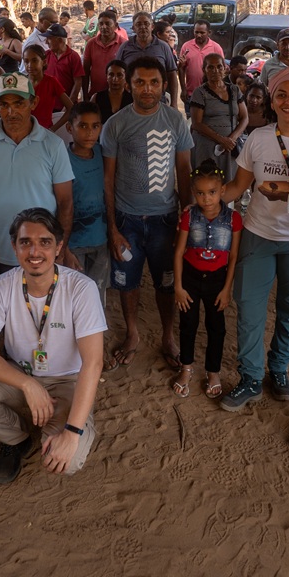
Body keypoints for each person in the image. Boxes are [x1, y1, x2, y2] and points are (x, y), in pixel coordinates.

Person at [0, 207, 106, 484]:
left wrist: (72, 433)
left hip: (67, 380)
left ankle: (67, 424)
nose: (34, 251)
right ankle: (16, 438)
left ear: (59, 247)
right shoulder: (1, 286)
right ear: (14, 247)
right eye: (25, 242)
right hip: (20, 373)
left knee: (68, 461)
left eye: (45, 242)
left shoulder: (81, 288)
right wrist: (28, 384)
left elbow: (93, 362)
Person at [217, 67, 289, 410]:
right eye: (281, 94)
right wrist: (204, 202)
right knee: (250, 309)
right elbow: (239, 187)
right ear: (271, 98)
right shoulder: (258, 138)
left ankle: (279, 368)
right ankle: (251, 377)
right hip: (258, 234)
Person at [102, 56, 193, 369]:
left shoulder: (175, 120)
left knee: (166, 281)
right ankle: (133, 333)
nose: (147, 88)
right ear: (129, 84)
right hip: (127, 221)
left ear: (164, 85)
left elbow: (184, 168)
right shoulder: (116, 124)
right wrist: (113, 228)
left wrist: (187, 217)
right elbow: (108, 178)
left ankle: (168, 336)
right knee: (127, 282)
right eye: (139, 82)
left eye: (154, 82)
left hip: (165, 220)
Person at [0, 74, 74, 277]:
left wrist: (60, 250)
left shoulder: (53, 145)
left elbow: (65, 202)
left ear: (33, 102)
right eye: (4, 104)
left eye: (19, 103)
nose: (11, 112)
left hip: (42, 254)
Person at [171, 160, 241, 400]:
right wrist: (178, 286)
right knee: (187, 325)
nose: (206, 198)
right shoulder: (189, 217)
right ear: (193, 193)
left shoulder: (233, 219)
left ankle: (213, 372)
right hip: (190, 278)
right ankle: (186, 367)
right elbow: (179, 251)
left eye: (212, 192)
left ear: (222, 191)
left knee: (216, 328)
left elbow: (233, 256)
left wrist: (227, 289)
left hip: (217, 282)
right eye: (200, 193)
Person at [65, 103, 109, 308]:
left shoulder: (103, 154)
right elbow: (58, 205)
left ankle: (94, 337)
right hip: (73, 244)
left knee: (97, 294)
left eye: (95, 126)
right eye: (82, 126)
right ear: (69, 128)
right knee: (73, 296)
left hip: (101, 239)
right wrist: (63, 248)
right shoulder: (63, 160)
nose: (90, 132)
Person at [189, 53, 247, 180]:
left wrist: (232, 138)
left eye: (219, 66)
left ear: (225, 68)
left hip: (229, 147)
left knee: (228, 183)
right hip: (207, 147)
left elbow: (245, 118)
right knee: (207, 181)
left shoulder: (234, 90)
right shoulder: (199, 93)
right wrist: (222, 140)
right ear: (204, 69)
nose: (215, 71)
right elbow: (197, 124)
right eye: (210, 67)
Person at [117, 13, 180, 107]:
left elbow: (172, 75)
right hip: (130, 100)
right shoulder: (125, 47)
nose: (143, 27)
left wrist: (174, 103)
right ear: (133, 28)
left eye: (146, 23)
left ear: (152, 26)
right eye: (138, 24)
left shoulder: (163, 47)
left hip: (157, 100)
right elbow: (117, 72)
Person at [24, 43, 74, 132]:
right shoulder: (21, 82)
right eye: (26, 61)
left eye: (34, 60)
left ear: (44, 62)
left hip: (44, 132)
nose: (30, 65)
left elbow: (71, 108)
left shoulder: (51, 82)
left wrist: (53, 129)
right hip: (23, 132)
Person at [178, 21, 224, 108]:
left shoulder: (216, 48)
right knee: (191, 120)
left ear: (209, 33)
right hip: (191, 94)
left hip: (211, 94)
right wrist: (183, 89)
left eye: (202, 33)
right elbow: (181, 68)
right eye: (196, 32)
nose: (199, 35)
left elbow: (222, 70)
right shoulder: (186, 46)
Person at [82, 12, 122, 100]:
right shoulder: (91, 44)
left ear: (115, 25)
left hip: (117, 96)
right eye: (101, 24)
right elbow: (85, 71)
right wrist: (85, 96)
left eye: (108, 24)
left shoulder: (123, 44)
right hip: (95, 95)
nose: (103, 27)